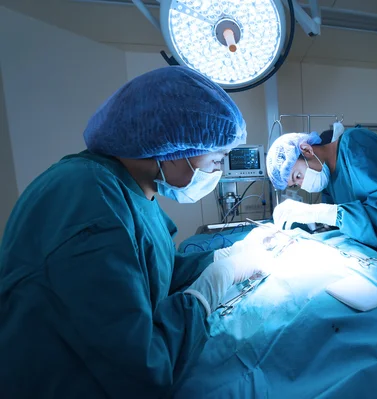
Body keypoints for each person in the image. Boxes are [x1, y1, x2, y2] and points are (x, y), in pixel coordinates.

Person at [0, 67, 268, 398]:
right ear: (178, 143)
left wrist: (227, 257)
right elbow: (143, 369)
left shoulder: (125, 187)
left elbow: (152, 272)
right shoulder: (91, 204)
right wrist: (208, 292)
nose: (218, 167)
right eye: (217, 155)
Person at [266, 127, 377, 266]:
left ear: (307, 150)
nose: (302, 185)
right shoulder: (328, 179)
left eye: (298, 176)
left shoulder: (356, 143)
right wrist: (305, 227)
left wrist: (317, 212)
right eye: (295, 184)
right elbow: (341, 227)